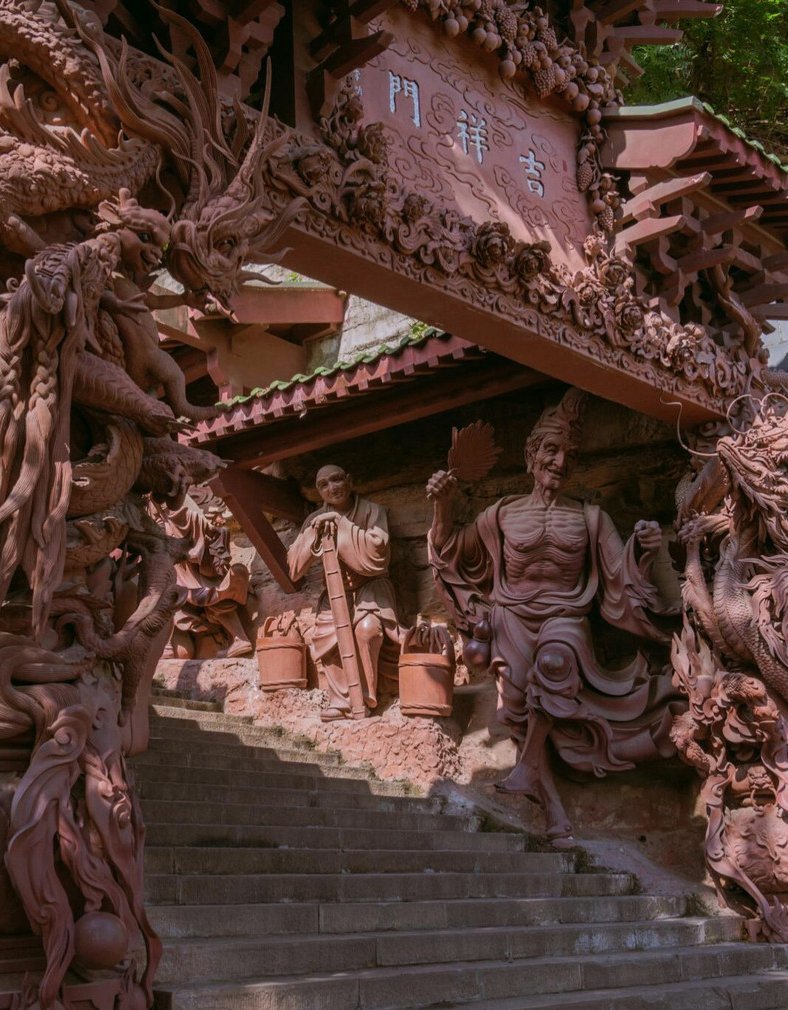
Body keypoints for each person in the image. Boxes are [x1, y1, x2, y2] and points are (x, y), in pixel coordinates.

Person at [427, 388, 678, 842]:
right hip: (510, 621)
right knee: (519, 715)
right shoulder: (499, 515)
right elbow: (447, 552)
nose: (560, 461)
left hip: (566, 618)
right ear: (531, 455)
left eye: (569, 454)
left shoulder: (590, 519)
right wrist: (442, 505)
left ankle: (527, 772)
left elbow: (621, 575)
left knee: (556, 663)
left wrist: (641, 547)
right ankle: (554, 809)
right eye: (550, 450)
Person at [287, 465, 401, 720]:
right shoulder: (315, 519)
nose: (332, 488)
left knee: (368, 629)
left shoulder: (374, 512)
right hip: (335, 589)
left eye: (336, 480)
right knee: (327, 637)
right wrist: (315, 535)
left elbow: (377, 554)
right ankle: (341, 700)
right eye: (323, 485)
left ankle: (365, 696)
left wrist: (342, 526)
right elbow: (294, 567)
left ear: (349, 480)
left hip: (371, 586)